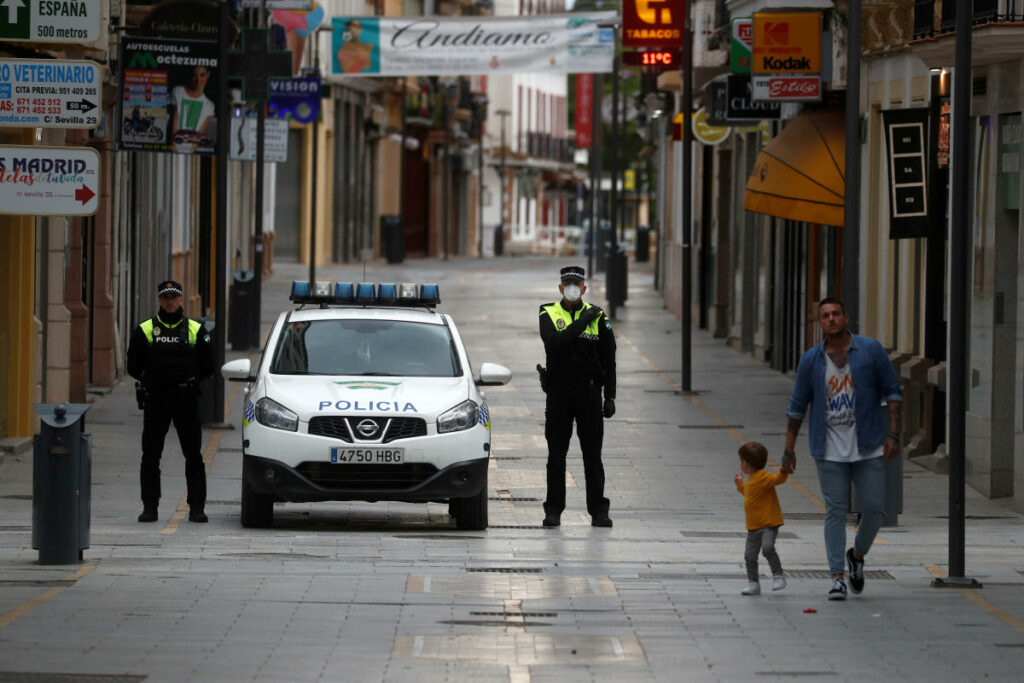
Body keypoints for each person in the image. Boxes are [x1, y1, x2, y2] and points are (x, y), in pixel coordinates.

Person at [782, 297, 903, 600]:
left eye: (836, 313)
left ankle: (857, 556)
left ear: (846, 317)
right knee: (835, 511)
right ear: (819, 322)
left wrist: (893, 434)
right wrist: (789, 450)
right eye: (825, 315)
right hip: (829, 450)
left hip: (868, 446)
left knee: (875, 509)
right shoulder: (811, 360)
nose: (831, 319)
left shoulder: (870, 351)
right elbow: (797, 407)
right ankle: (836, 576)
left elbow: (892, 391)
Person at [127, 280, 214, 523]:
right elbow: (133, 365)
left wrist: (192, 379)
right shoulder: (146, 329)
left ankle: (197, 507)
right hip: (156, 399)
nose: (170, 301)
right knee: (151, 455)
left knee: (193, 455)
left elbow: (208, 364)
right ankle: (150, 507)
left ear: (180, 299)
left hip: (185, 398)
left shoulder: (195, 329)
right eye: (166, 297)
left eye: (174, 296)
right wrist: (152, 380)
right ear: (159, 300)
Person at [538, 266, 616, 528]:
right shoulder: (548, 311)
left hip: (589, 393)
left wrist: (610, 395)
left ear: (584, 288)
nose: (572, 287)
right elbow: (556, 343)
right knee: (556, 455)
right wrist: (583, 321)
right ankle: (553, 510)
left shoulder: (599, 316)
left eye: (577, 283)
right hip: (559, 393)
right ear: (561, 288)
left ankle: (598, 510)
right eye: (567, 283)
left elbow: (609, 357)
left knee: (593, 455)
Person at [734, 442, 788, 596]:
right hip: (753, 526)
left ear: (745, 462)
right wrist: (740, 485)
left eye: (740, 460)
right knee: (749, 556)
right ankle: (753, 583)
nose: (740, 464)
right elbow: (749, 494)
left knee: (768, 548)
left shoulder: (763, 476)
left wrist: (783, 472)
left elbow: (778, 479)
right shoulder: (751, 479)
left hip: (768, 524)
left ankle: (778, 575)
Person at [170, 66, 215, 151]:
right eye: (195, 75)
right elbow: (174, 124)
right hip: (173, 147)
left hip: (190, 151)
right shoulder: (178, 91)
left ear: (208, 75)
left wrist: (190, 152)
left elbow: (200, 132)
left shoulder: (209, 106)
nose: (198, 80)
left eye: (202, 75)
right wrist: (174, 149)